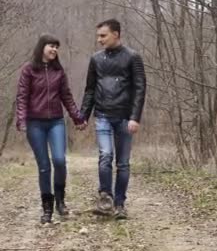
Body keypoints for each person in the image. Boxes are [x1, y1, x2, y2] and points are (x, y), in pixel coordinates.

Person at [16, 34, 86, 224]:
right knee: (44, 167)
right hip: (35, 123)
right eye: (51, 46)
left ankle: (60, 201)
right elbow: (22, 96)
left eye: (56, 47)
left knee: (59, 160)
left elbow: (67, 96)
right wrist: (21, 120)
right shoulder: (28, 70)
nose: (54, 49)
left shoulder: (58, 71)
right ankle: (47, 208)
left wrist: (77, 117)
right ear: (42, 47)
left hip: (55, 121)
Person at [80, 19, 146, 220]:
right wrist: (83, 115)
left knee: (123, 163)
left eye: (103, 35)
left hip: (125, 117)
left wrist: (135, 117)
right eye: (98, 35)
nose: (99, 39)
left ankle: (120, 204)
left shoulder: (133, 57)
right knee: (105, 156)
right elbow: (90, 89)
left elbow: (140, 89)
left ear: (116, 34)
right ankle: (105, 197)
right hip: (102, 115)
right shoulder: (96, 59)